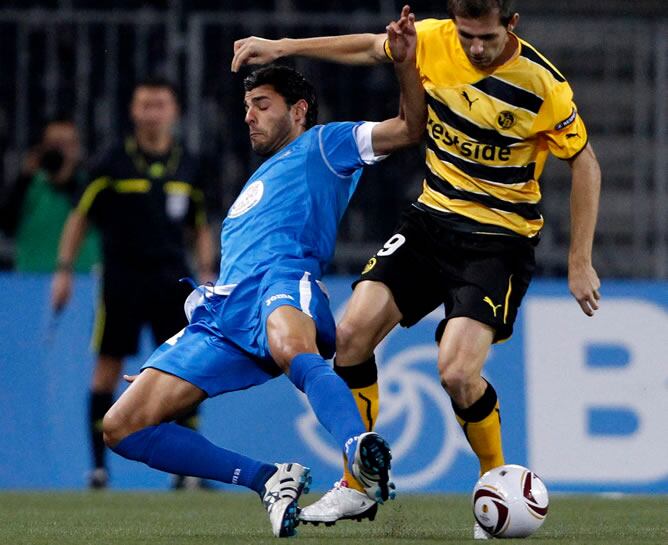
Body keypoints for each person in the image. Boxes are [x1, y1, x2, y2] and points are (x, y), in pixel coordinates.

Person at [232, 1, 602, 537]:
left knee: (456, 372)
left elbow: (585, 162)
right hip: (431, 222)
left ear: (511, 26)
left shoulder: (543, 87)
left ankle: (493, 480)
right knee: (352, 335)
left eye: (487, 38)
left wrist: (579, 261)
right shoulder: (432, 38)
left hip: (497, 243)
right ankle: (356, 488)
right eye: (468, 36)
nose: (475, 48)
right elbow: (366, 47)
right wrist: (285, 47)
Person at [100, 9, 424, 538]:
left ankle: (356, 456)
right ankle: (269, 479)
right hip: (222, 314)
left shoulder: (325, 144)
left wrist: (406, 66)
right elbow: (231, 280)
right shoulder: (249, 192)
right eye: (246, 106)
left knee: (290, 345)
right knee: (122, 425)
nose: (248, 116)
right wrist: (174, 354)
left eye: (261, 105)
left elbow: (411, 128)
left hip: (283, 281)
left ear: (298, 110)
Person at [51, 78, 216, 490]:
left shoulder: (189, 165)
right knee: (107, 370)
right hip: (122, 281)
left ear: (174, 111)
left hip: (172, 281)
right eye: (145, 104)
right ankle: (98, 469)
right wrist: (64, 270)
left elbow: (200, 227)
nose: (152, 112)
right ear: (133, 110)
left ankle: (187, 472)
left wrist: (208, 273)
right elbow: (79, 218)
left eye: (160, 104)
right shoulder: (110, 163)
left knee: (186, 372)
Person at [0, 116, 100, 272]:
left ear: (77, 148)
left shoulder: (91, 186)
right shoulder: (28, 185)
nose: (61, 151)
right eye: (55, 144)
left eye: (67, 145)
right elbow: (7, 226)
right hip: (31, 281)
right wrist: (24, 178)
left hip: (81, 281)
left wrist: (67, 179)